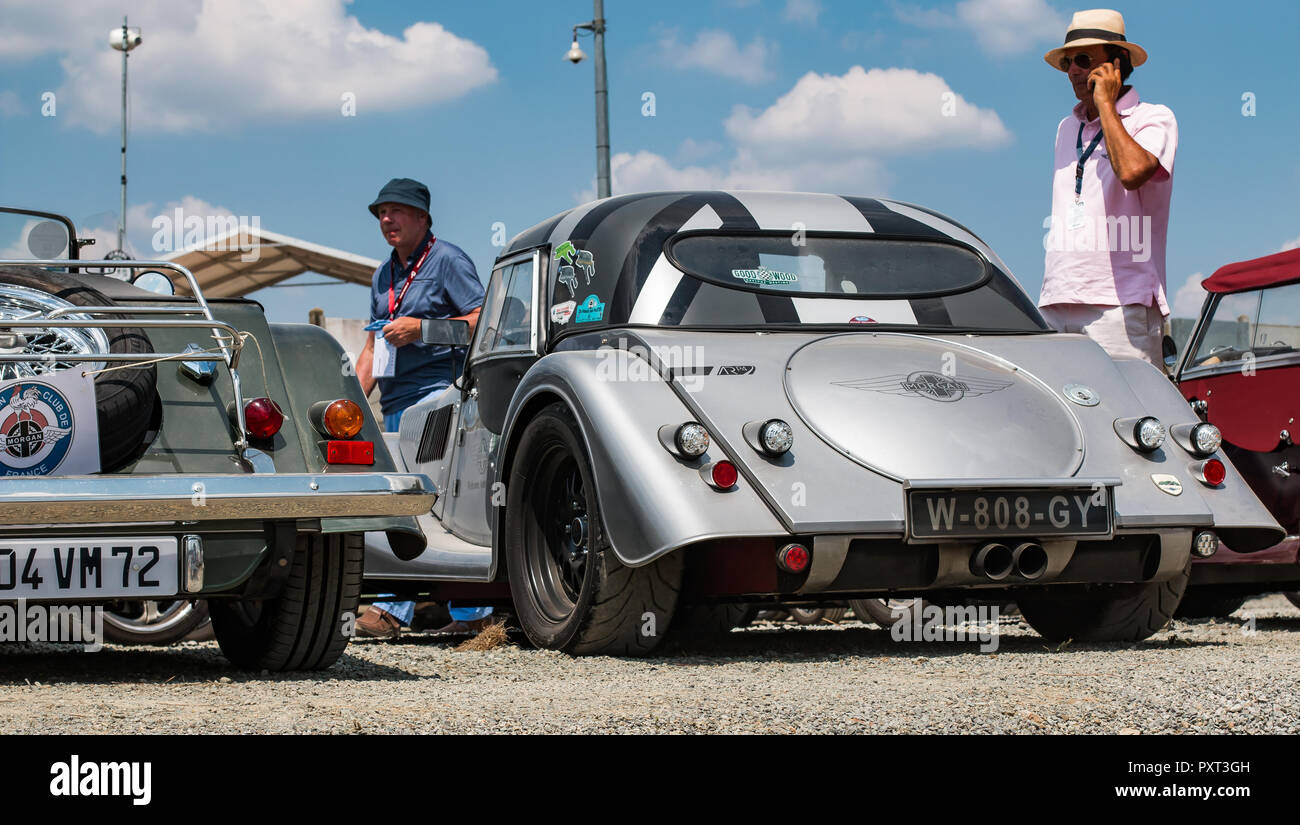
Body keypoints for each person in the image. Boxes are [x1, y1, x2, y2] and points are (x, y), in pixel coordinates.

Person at [351, 178, 492, 639]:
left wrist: (422, 329)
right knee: (402, 501)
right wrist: (349, 397)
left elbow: (480, 323)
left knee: (437, 503)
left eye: (395, 211)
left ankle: (467, 614)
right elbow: (373, 346)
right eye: (380, 213)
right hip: (395, 402)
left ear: (422, 218)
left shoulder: (448, 260)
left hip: (438, 394)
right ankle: (419, 608)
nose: (385, 220)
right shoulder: (381, 274)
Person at [1038, 9, 1177, 368]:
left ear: (1116, 65)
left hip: (1120, 305)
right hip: (1058, 300)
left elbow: (1132, 172)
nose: (1072, 69)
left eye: (1084, 60)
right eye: (1068, 61)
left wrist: (1105, 104)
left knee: (1129, 418)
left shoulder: (1154, 118)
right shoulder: (1065, 128)